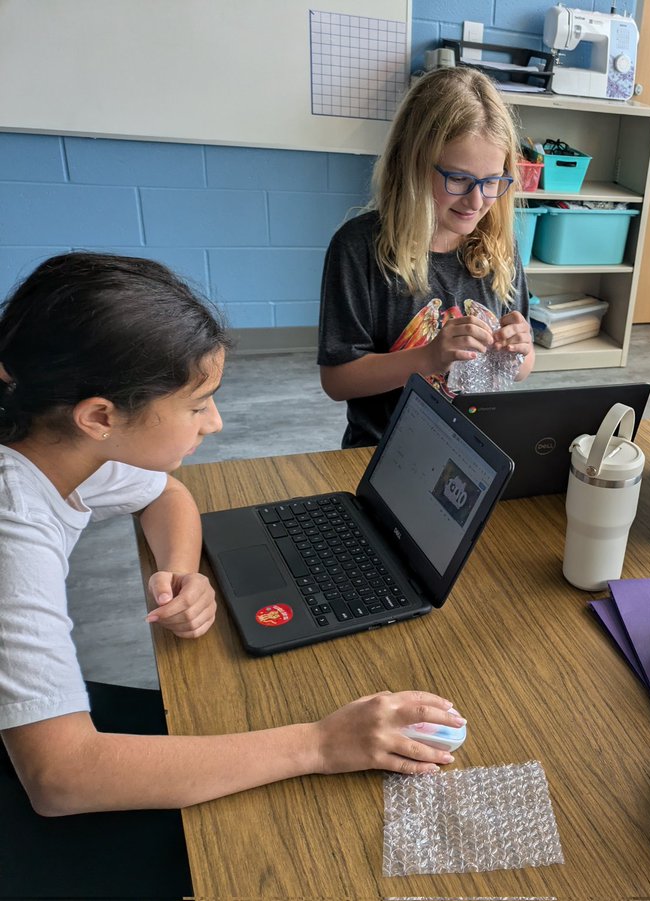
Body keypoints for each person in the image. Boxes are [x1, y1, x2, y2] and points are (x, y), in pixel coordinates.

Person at [0, 253, 466, 898]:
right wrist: (319, 745)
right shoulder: (12, 527)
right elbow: (62, 779)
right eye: (198, 406)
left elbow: (164, 496)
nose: (215, 423)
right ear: (100, 417)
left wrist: (180, 571)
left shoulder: (48, 432)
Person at [319, 67, 535, 448]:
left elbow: (522, 371)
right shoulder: (358, 248)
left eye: (492, 182)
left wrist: (521, 349)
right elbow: (338, 381)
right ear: (413, 164)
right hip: (383, 451)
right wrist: (429, 358)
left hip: (476, 450)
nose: (477, 201)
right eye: (459, 179)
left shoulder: (500, 247)